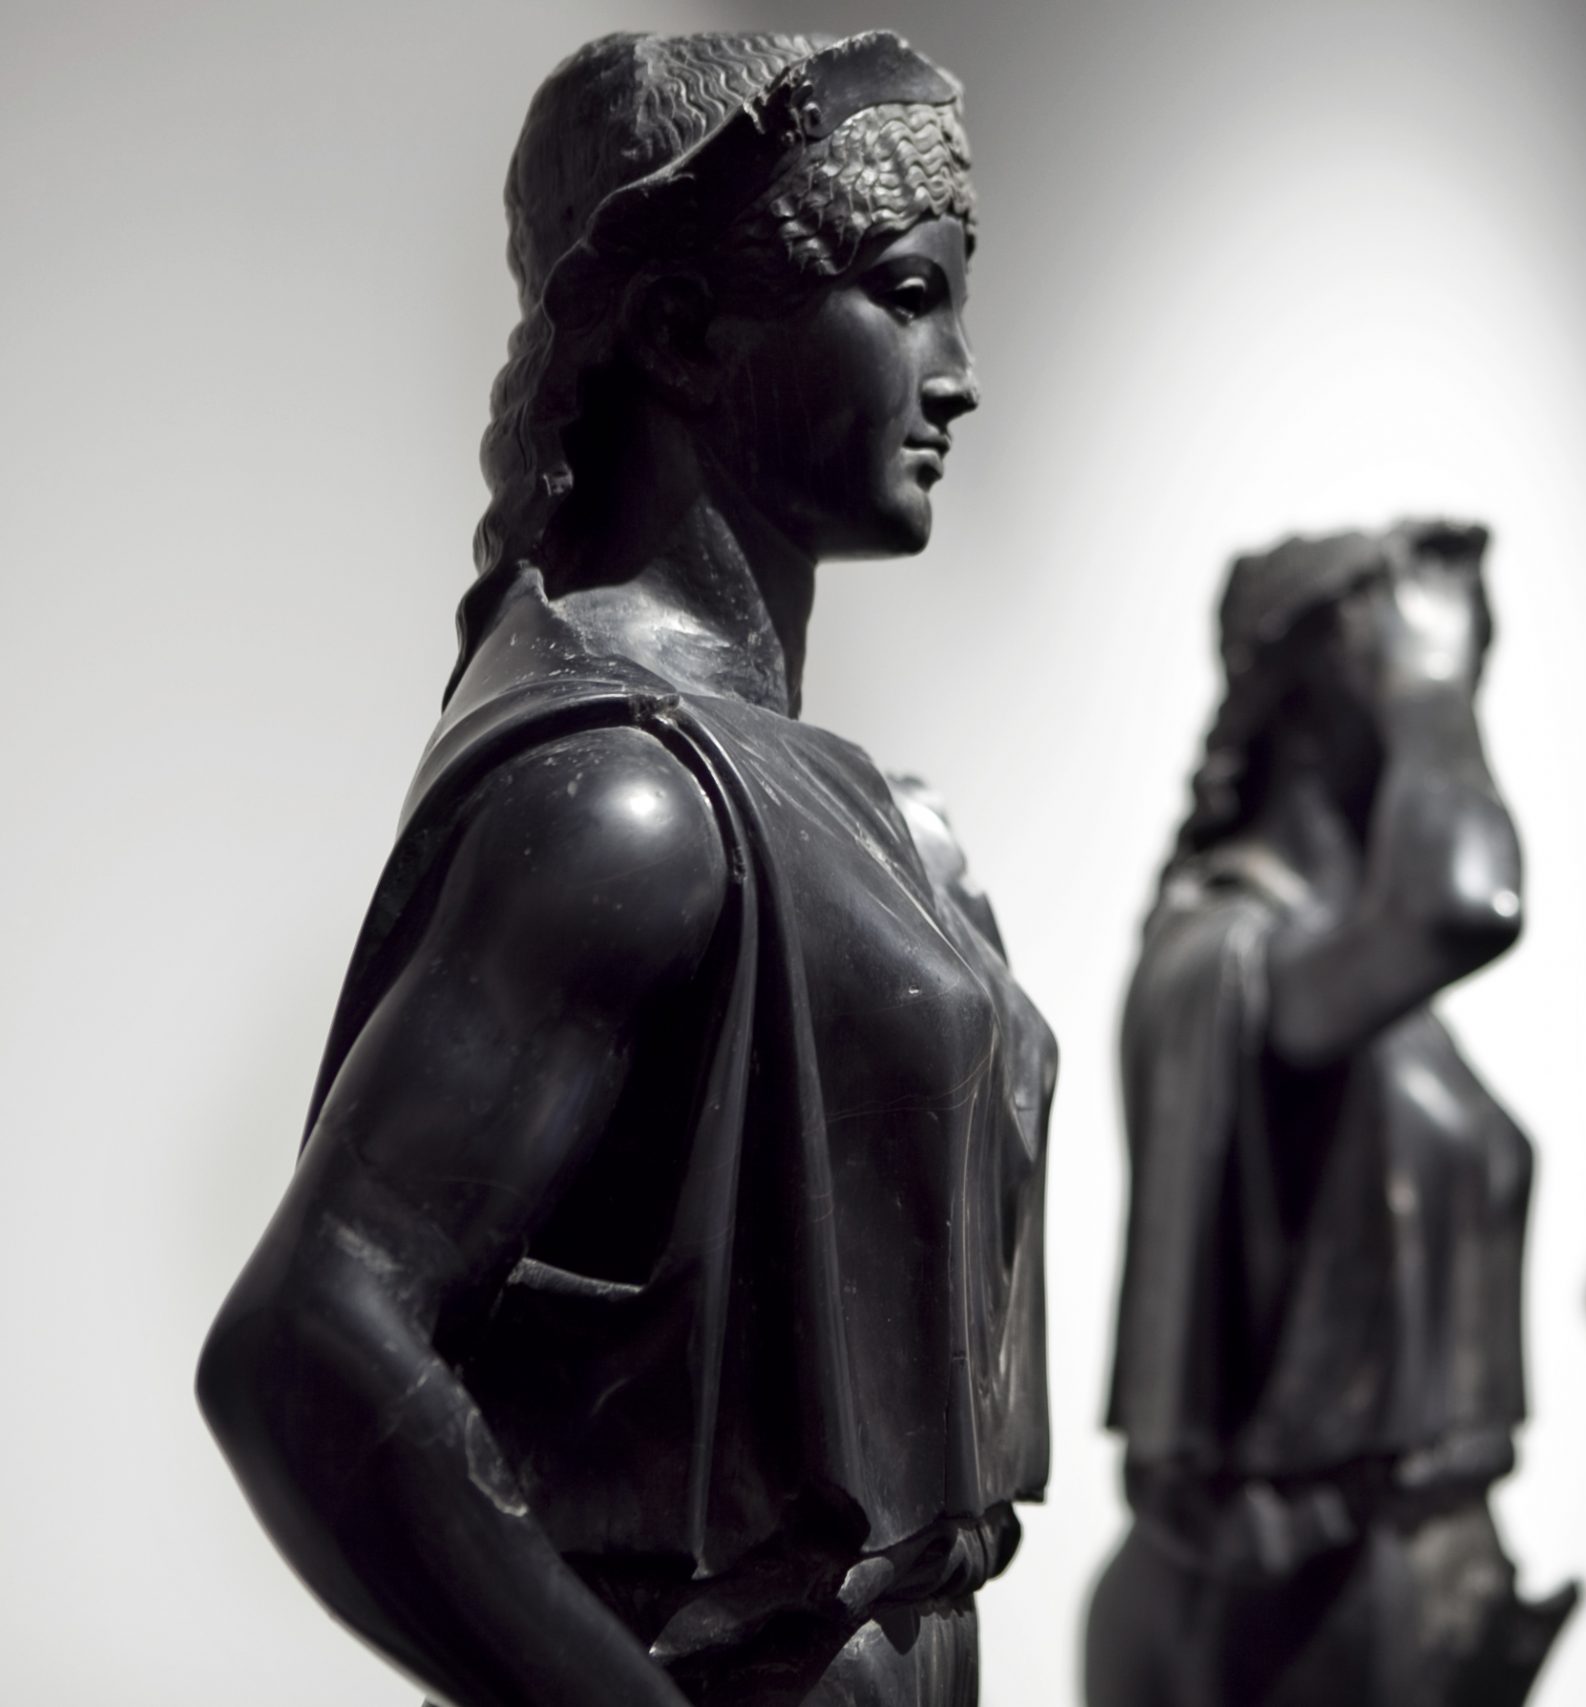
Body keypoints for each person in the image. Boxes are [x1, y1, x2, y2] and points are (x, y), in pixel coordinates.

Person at [196, 33, 1049, 1707]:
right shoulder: (634, 801)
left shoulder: (839, 805)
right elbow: (308, 1344)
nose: (957, 375)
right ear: (675, 331)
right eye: (903, 296)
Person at [1087, 522, 1573, 1707]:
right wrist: (1425, 689)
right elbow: (1466, 904)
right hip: (1295, 1610)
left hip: (1411, 1589)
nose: (1457, 717)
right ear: (1312, 700)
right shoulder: (1229, 960)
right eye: (1418, 675)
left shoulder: (1362, 994)